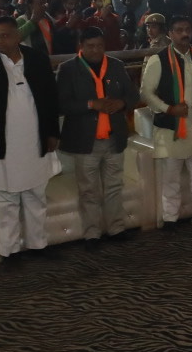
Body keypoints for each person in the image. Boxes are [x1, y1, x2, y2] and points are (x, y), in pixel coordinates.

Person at [0, 15, 60, 260]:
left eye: (5, 36)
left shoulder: (37, 60)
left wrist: (52, 132)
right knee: (5, 199)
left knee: (35, 194)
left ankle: (38, 245)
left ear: (18, 36)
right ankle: (10, 251)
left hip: (34, 140)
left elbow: (50, 99)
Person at [141, 14, 192, 229]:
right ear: (170, 34)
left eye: (187, 29)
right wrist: (169, 109)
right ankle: (170, 218)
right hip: (171, 128)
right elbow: (146, 93)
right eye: (179, 30)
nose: (184, 33)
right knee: (171, 177)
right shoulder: (159, 59)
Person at [57, 26, 135, 241]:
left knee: (114, 186)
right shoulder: (68, 69)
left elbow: (132, 95)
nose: (96, 51)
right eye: (90, 46)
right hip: (85, 140)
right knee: (89, 191)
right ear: (81, 47)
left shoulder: (116, 65)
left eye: (100, 46)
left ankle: (116, 229)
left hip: (114, 137)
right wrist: (92, 104)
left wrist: (121, 103)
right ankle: (92, 233)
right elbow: (62, 104)